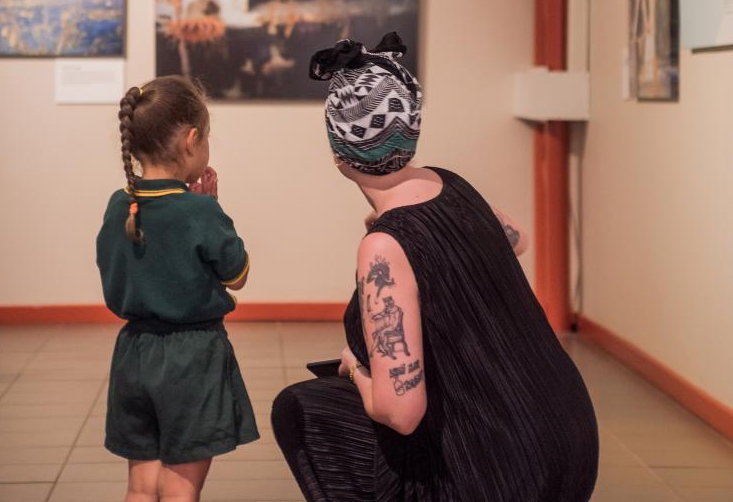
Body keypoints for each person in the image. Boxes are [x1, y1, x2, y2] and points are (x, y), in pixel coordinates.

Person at [271, 33, 599, 501]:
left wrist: (354, 370)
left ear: (340, 156)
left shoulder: (385, 246)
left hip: (504, 471)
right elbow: (518, 240)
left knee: (300, 408)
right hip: (569, 435)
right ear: (412, 130)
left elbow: (400, 411)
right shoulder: (450, 184)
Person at [96, 76, 259, 502]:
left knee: (141, 485)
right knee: (180, 488)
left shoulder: (119, 204)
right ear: (191, 140)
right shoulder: (200, 211)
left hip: (132, 354)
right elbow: (236, 273)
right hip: (191, 360)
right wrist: (213, 208)